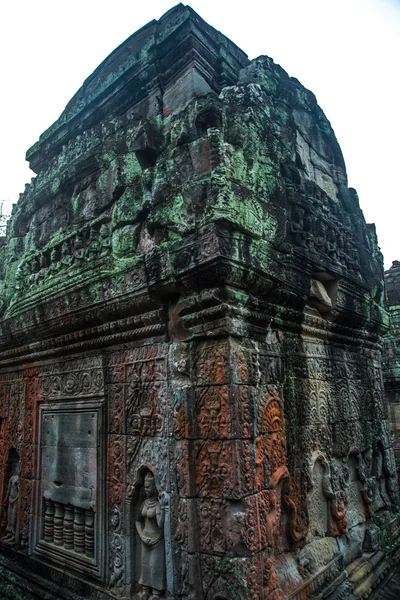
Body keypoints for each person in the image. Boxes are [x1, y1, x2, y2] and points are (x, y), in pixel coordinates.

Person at [135, 472, 167, 600]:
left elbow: (160, 524)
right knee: (145, 566)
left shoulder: (157, 504)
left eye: (148, 487)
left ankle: (156, 593)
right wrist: (141, 535)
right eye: (145, 487)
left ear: (154, 487)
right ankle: (145, 590)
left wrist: (163, 508)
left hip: (156, 541)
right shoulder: (144, 503)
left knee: (155, 567)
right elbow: (137, 520)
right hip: (145, 539)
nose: (146, 489)